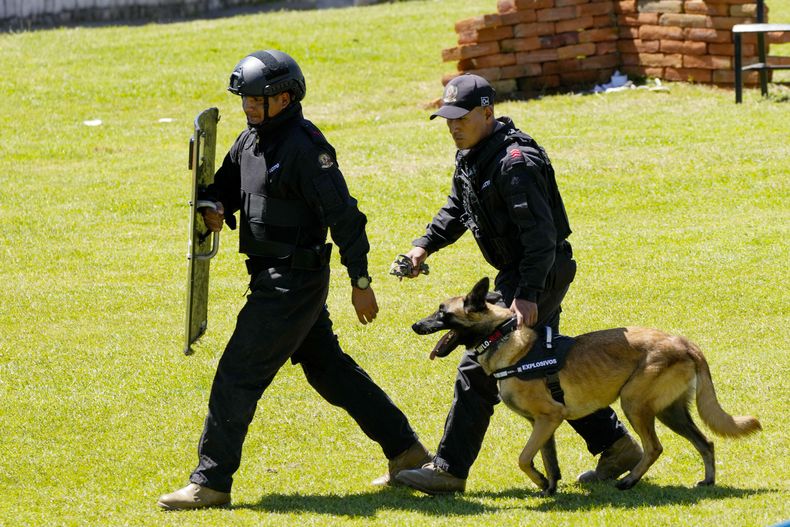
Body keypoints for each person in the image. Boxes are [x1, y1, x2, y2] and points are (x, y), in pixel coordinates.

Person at [158, 50, 429, 510]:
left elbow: (346, 218)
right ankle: (409, 453)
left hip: (293, 284)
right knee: (331, 372)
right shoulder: (251, 141)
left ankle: (211, 482)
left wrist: (360, 281)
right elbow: (223, 187)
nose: (247, 107)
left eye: (255, 100)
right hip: (271, 278)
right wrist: (213, 207)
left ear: (284, 98)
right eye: (244, 99)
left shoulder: (307, 150)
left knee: (237, 375)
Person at [393, 74, 642, 495]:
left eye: (461, 118)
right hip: (517, 271)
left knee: (481, 362)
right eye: (447, 118)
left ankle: (450, 470)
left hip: (539, 268)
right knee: (545, 365)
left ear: (487, 113)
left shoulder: (515, 163)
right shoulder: (472, 155)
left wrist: (527, 294)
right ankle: (617, 447)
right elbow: (457, 207)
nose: (452, 126)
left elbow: (541, 238)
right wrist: (423, 247)